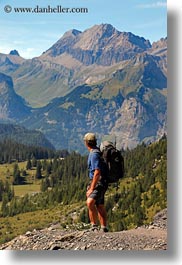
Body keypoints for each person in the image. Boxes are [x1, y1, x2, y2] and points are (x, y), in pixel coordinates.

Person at [83, 132, 108, 232]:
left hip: (98, 182)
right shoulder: (97, 151)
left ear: (86, 143)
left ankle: (94, 226)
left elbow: (97, 172)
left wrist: (92, 188)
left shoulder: (94, 154)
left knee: (90, 202)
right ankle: (104, 227)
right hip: (102, 182)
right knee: (99, 205)